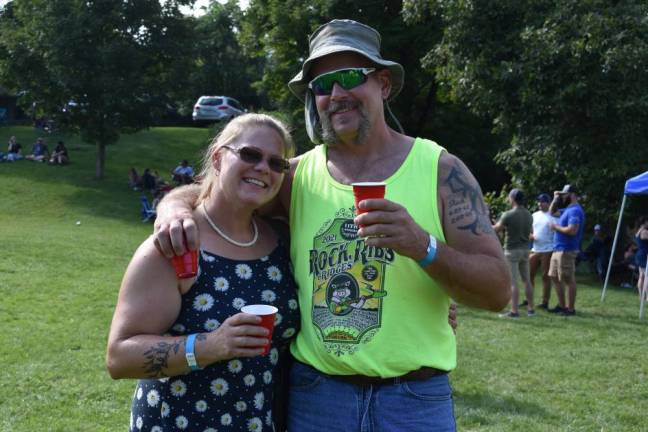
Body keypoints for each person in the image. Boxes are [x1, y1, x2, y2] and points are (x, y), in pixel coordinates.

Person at [152, 19, 510, 431]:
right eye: (322, 86)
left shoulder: (441, 171)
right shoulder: (295, 176)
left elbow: (498, 291)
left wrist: (422, 246)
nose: (336, 94)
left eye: (350, 78)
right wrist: (173, 208)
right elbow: (214, 194)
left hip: (414, 401)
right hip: (317, 398)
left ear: (384, 84)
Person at [106, 114, 300, 431]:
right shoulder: (177, 243)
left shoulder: (281, 240)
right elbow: (119, 357)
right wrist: (210, 346)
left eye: (277, 163)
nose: (263, 167)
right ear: (219, 158)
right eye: (250, 154)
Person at [493, 188, 535, 317]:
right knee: (527, 280)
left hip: (511, 251)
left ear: (512, 199)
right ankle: (531, 309)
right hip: (525, 250)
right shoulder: (529, 215)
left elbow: (496, 229)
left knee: (513, 282)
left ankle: (514, 311)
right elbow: (530, 232)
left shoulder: (508, 214)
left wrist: (488, 225)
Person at [547, 184, 585, 316]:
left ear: (572, 195)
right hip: (558, 248)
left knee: (568, 279)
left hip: (567, 249)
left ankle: (570, 309)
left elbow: (572, 230)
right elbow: (552, 212)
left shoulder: (575, 211)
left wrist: (556, 227)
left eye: (565, 194)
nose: (563, 197)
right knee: (554, 276)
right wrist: (555, 198)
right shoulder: (568, 209)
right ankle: (562, 306)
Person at [529, 193, 556, 309]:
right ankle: (528, 299)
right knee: (529, 274)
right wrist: (530, 236)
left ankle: (545, 302)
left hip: (548, 250)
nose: (540, 203)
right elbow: (528, 230)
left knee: (545, 277)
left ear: (549, 203)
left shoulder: (553, 216)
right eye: (539, 201)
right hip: (535, 249)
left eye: (543, 201)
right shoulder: (534, 215)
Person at [634, 216, 648, 299]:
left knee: (641, 276)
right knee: (647, 276)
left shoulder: (638, 231)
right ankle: (647, 297)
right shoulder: (645, 232)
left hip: (639, 254)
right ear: (645, 222)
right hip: (644, 255)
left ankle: (641, 296)